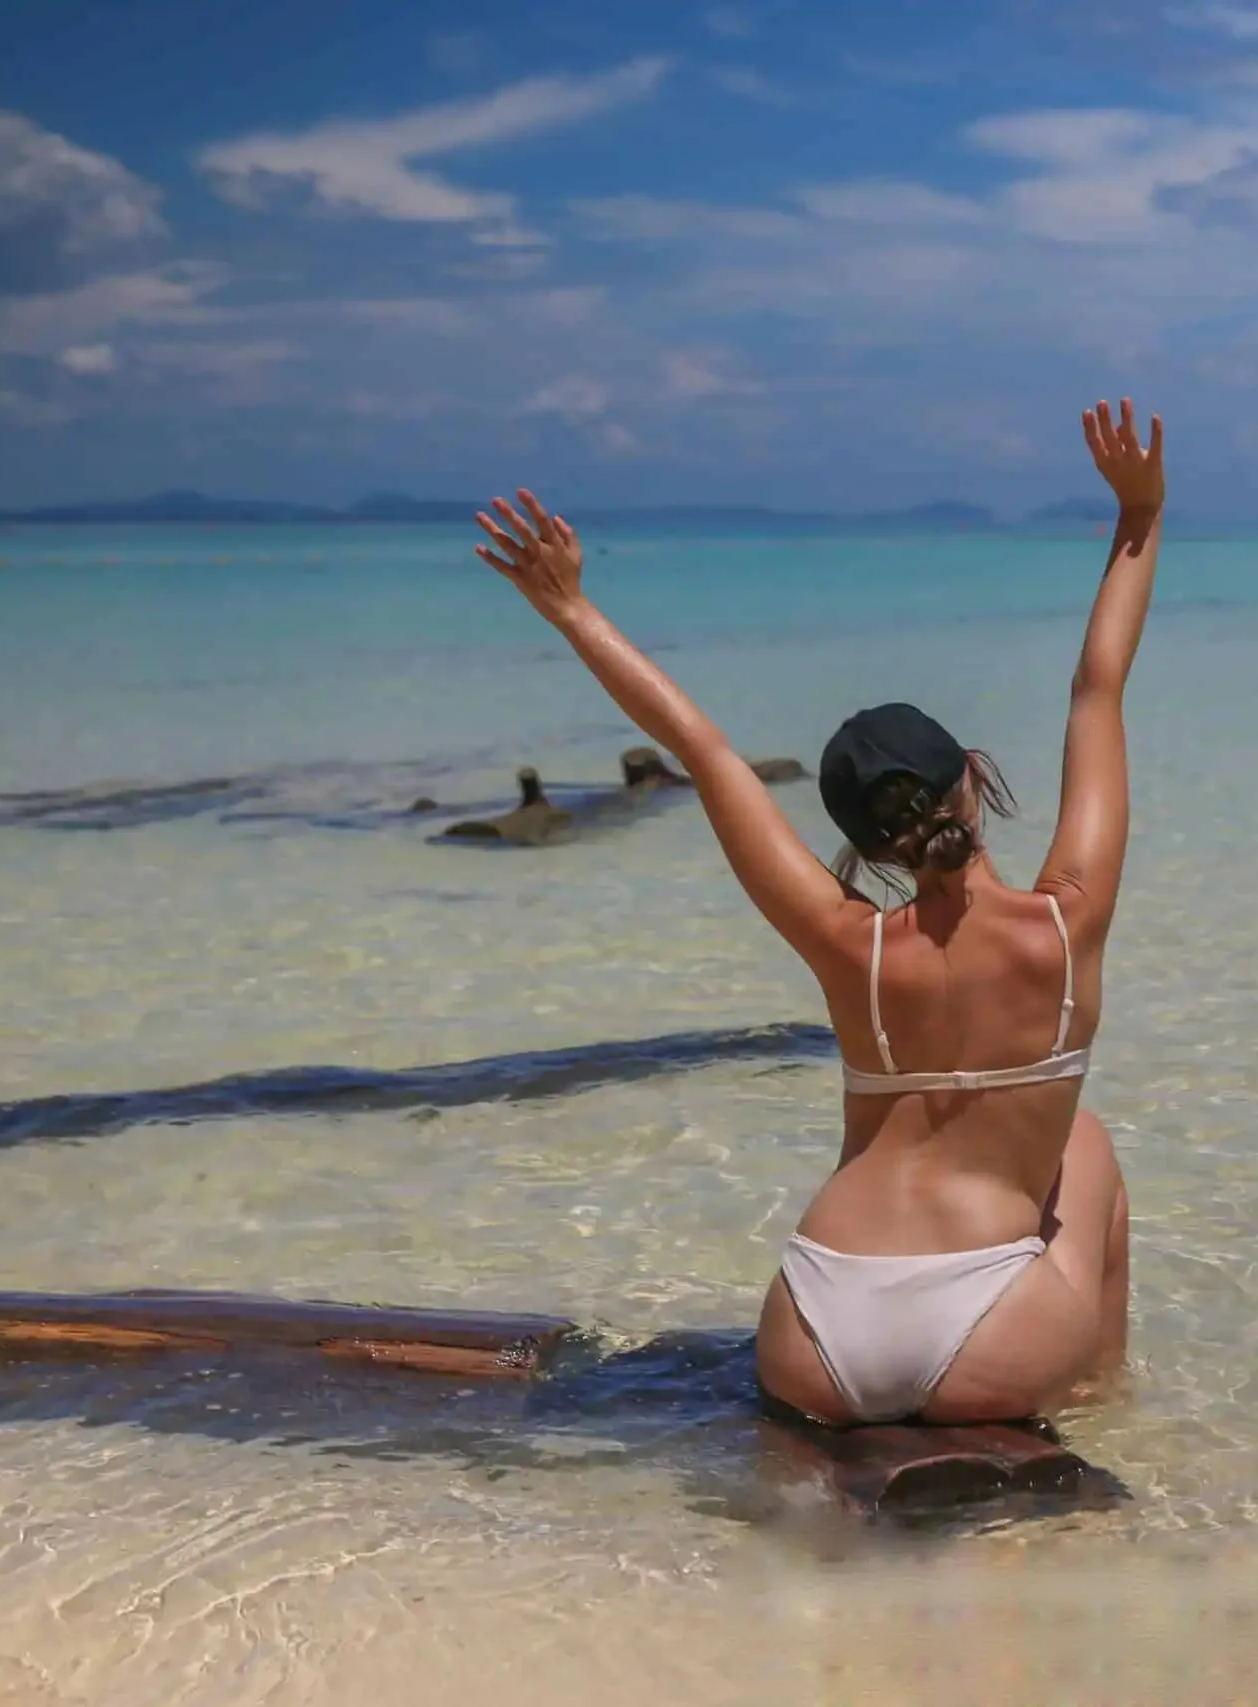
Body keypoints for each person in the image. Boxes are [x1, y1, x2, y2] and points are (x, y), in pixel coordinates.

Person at [472, 397, 1167, 1426]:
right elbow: (1096, 690)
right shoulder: (1067, 925)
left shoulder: (848, 942)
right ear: (973, 780)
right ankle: (1098, 1402)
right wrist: (1138, 515)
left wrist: (573, 609)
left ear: (869, 847)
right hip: (994, 1335)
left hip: (817, 1326)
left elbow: (703, 751)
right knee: (1089, 1146)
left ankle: (817, 1458)